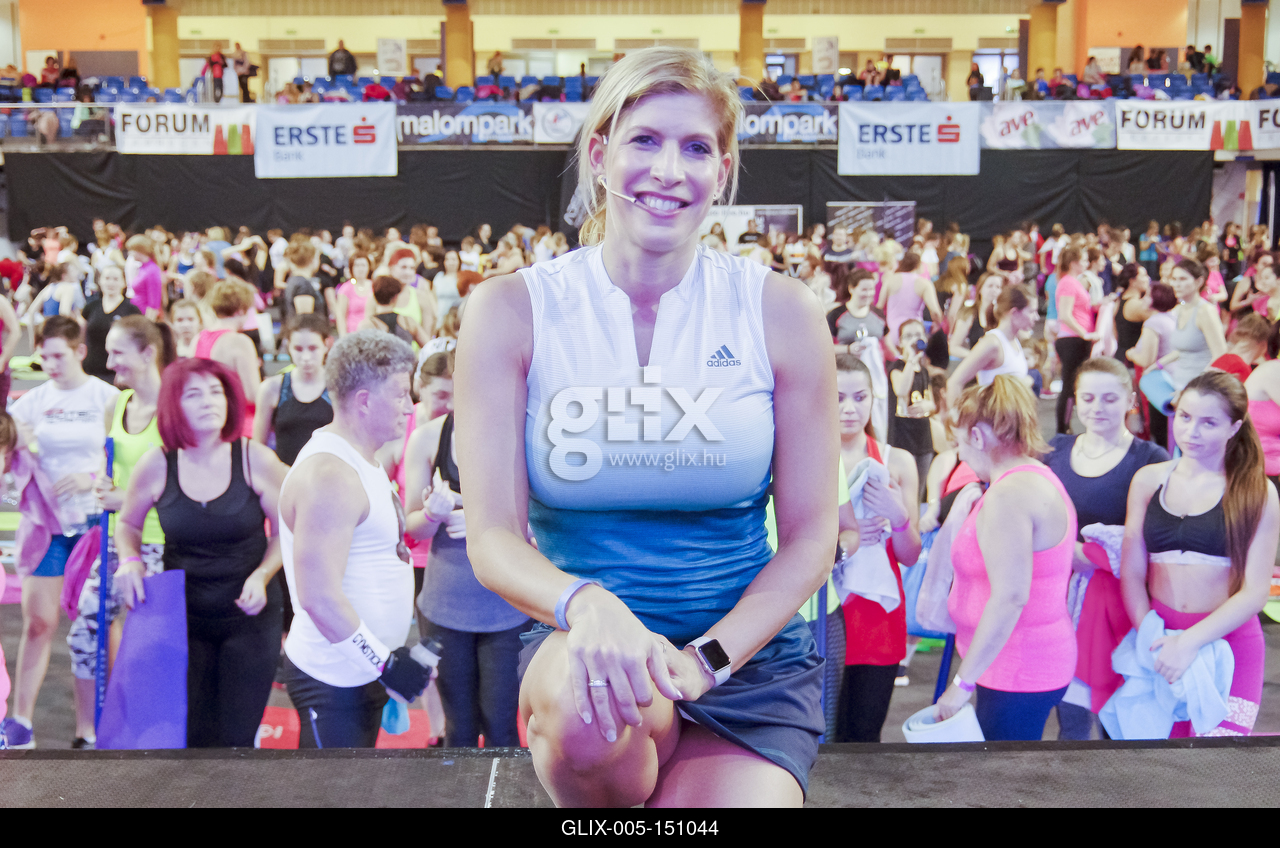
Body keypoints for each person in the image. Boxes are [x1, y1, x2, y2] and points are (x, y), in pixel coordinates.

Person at [456, 47, 836, 806]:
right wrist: (586, 605)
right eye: (645, 140)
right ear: (601, 156)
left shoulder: (782, 313)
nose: (669, 170)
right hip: (585, 654)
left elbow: (811, 536)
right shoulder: (511, 310)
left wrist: (709, 659)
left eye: (696, 148)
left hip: (743, 662)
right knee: (590, 707)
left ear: (722, 171)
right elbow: (493, 538)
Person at [116, 358, 287, 747]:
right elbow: (127, 524)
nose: (209, 401)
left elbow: (285, 532)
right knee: (190, 737)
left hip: (250, 618)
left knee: (235, 739)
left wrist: (262, 575)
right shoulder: (157, 463)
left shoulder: (256, 459)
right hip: (182, 619)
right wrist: (130, 560)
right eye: (194, 394)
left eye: (215, 392)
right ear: (174, 405)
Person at [279, 331, 431, 748]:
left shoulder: (362, 461)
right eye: (401, 395)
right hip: (332, 680)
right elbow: (319, 598)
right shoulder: (331, 474)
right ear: (364, 401)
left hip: (361, 672)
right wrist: (385, 663)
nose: (410, 407)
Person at [1120, 371, 1279, 736]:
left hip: (1231, 645)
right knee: (1159, 764)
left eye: (1209, 423)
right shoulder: (1148, 481)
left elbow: (1255, 592)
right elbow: (1131, 572)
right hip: (1159, 643)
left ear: (1234, 427)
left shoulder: (1257, 492)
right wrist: (1152, 638)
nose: (1191, 431)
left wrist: (1188, 643)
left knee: (1218, 763)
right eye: (1186, 417)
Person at [936, 376, 1076, 741]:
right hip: (1016, 665)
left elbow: (1011, 597)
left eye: (959, 442)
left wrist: (961, 685)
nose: (960, 454)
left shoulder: (1009, 495)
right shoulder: (1030, 477)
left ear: (977, 437)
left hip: (1017, 669)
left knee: (1002, 774)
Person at [1, 317, 119, 750]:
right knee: (39, 623)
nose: (50, 364)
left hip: (95, 527)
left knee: (98, 629)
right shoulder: (30, 403)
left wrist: (93, 478)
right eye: (44, 356)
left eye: (58, 355)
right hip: (46, 528)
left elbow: (125, 455)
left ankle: (94, 728)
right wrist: (17, 462)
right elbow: (9, 466)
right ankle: (20, 722)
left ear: (80, 351)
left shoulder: (107, 397)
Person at [401, 353, 530, 748]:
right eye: (443, 393)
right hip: (445, 605)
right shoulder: (427, 438)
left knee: (502, 725)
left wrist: (476, 521)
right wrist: (433, 514)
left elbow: (537, 525)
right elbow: (412, 527)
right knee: (458, 728)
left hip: (505, 604)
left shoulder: (517, 432)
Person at [1043, 358, 1168, 740]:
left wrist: (1096, 556)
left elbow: (1158, 537)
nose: (1098, 408)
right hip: (1060, 602)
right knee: (1072, 721)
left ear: (1130, 400)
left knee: (1122, 719)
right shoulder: (1054, 450)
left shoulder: (1151, 459)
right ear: (1075, 399)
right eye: (1088, 398)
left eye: (1110, 399)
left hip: (1122, 605)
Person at [67, 317, 175, 747]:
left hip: (163, 543)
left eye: (117, 353)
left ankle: (148, 735)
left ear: (148, 353)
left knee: (150, 648)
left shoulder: (173, 408)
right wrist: (101, 482)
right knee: (84, 633)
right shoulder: (118, 404)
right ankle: (88, 733)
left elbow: (187, 484)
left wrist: (124, 497)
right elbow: (108, 461)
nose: (108, 361)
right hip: (117, 540)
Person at [833, 355, 920, 742]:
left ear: (874, 398)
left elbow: (910, 554)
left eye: (859, 397)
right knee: (818, 733)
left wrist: (897, 516)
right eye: (838, 397)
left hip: (878, 619)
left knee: (864, 735)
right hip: (823, 612)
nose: (849, 409)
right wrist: (844, 535)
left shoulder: (897, 461)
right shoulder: (805, 458)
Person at [254, 315, 334, 467]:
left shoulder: (338, 388)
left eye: (313, 348)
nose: (306, 357)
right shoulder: (271, 389)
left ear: (326, 345)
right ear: (288, 346)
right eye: (298, 349)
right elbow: (258, 447)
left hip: (328, 475)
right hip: (284, 475)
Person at [946, 286, 1037, 407]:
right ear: (1014, 313)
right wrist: (955, 416)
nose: (1036, 317)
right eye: (1031, 312)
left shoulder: (1014, 341)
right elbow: (954, 383)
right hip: (992, 415)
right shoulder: (993, 343)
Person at [195, 281, 261, 435]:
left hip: (208, 421)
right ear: (241, 310)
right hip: (238, 423)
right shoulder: (239, 342)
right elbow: (252, 394)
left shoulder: (198, 339)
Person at [1157, 259, 1227, 394]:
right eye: (1174, 279)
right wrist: (1158, 364)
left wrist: (1193, 388)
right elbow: (1184, 350)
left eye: (1182, 279)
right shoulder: (1179, 310)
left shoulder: (1205, 311)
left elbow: (1220, 354)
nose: (1176, 284)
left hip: (1199, 391)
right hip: (1178, 386)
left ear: (1199, 282)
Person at [1054, 247, 1100, 434]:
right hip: (1071, 340)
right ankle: (1062, 429)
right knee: (1069, 386)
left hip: (1076, 339)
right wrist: (1084, 334)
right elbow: (1065, 315)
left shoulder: (1074, 282)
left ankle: (1065, 427)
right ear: (1074, 263)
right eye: (1083, 260)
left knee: (1073, 386)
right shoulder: (1068, 283)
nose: (1086, 263)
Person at [82, 264, 142, 384]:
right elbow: (82, 337)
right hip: (91, 371)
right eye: (107, 278)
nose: (111, 283)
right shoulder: (91, 307)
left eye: (115, 279)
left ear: (123, 283)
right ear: (100, 281)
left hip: (118, 374)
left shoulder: (131, 310)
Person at [877, 253, 943, 348]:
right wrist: (938, 326)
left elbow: (879, 306)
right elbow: (935, 312)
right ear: (918, 265)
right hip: (915, 332)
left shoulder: (890, 280)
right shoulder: (924, 283)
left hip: (892, 331)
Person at [359, 276, 431, 348]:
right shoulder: (407, 322)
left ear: (374, 296)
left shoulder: (368, 325)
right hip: (405, 355)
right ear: (395, 297)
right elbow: (428, 346)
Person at [949, 271, 1005, 357]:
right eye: (990, 286)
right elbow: (953, 347)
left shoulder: (1004, 315)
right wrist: (976, 356)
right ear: (980, 289)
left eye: (998, 287)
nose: (994, 290)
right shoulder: (969, 313)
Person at [126, 235, 164, 321]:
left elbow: (153, 304)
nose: (129, 254)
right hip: (137, 314)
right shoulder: (143, 268)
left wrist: (148, 323)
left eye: (131, 250)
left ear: (139, 250)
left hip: (144, 316)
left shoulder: (152, 271)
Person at [335, 252, 373, 337]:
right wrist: (343, 337)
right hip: (352, 335)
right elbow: (341, 315)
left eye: (363, 265)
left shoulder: (374, 287)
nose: (360, 269)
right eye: (357, 265)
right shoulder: (346, 289)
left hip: (371, 333)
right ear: (351, 268)